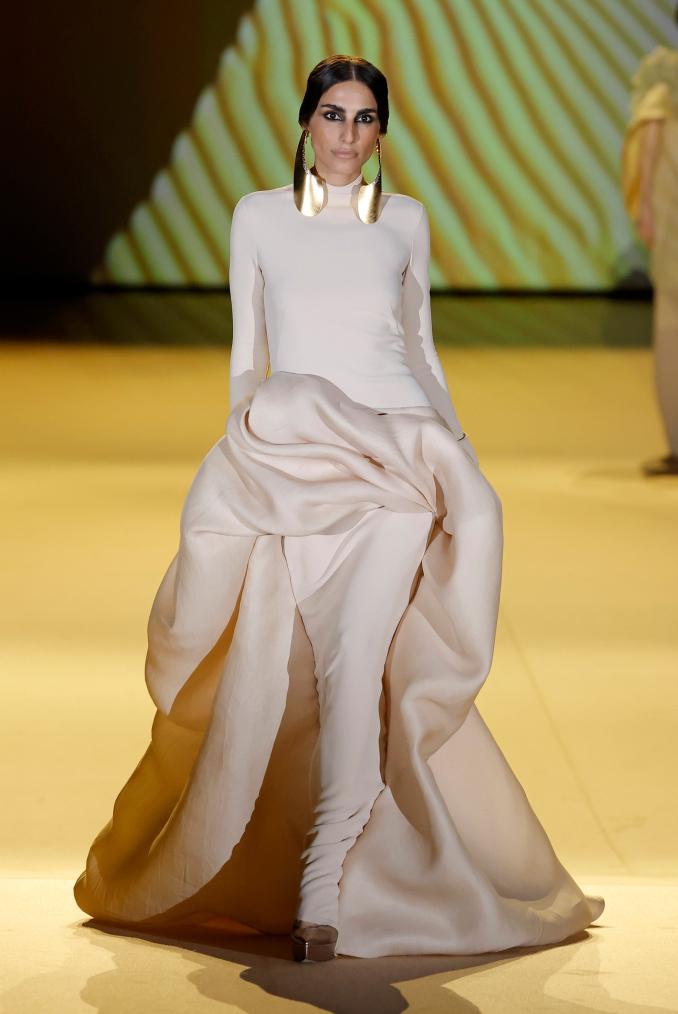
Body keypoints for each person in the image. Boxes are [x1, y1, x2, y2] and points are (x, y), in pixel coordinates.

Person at [73, 55, 604, 963]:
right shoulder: (257, 217)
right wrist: (251, 450)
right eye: (332, 114)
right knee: (295, 671)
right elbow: (249, 355)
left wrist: (454, 455)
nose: (347, 134)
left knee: (355, 657)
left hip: (396, 460)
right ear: (305, 123)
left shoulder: (406, 221)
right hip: (298, 459)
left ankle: (321, 886)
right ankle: (304, 870)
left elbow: (420, 348)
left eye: (364, 118)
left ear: (381, 131)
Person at [622, 18, 678, 477]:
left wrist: (644, 208)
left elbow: (651, 135)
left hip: (673, 223)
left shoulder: (665, 79)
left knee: (671, 331)